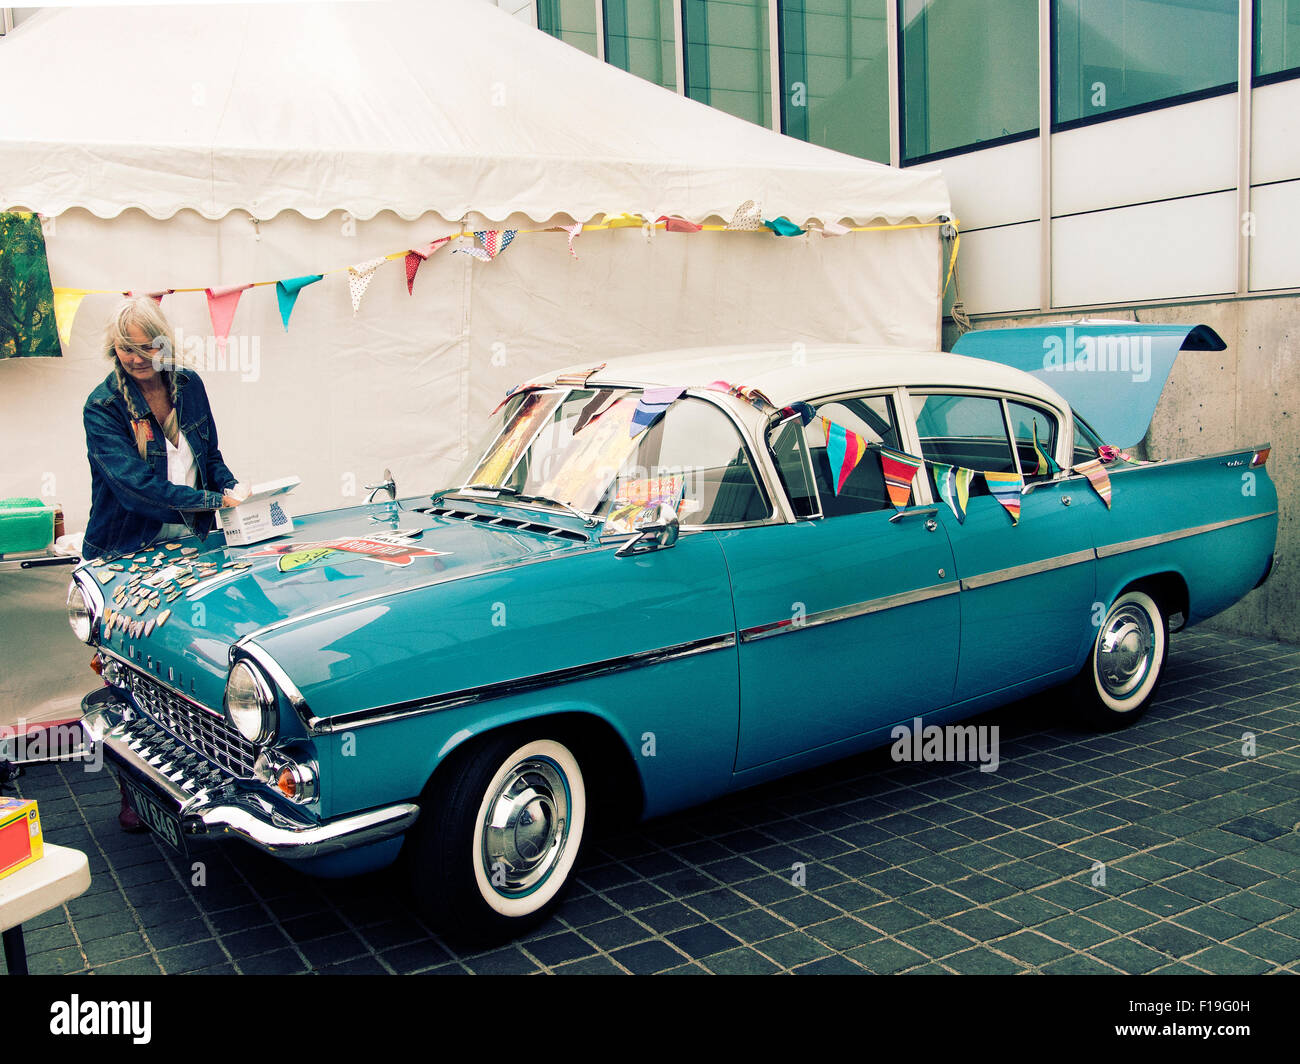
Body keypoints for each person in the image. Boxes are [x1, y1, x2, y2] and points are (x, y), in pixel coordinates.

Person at [82, 297, 244, 829]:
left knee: (183, 665)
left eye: (147, 346)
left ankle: (210, 778)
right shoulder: (102, 406)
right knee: (127, 679)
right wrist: (212, 503)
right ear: (115, 347)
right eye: (127, 348)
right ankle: (136, 792)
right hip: (124, 551)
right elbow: (134, 489)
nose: (137, 357)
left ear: (164, 343)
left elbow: (211, 456)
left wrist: (236, 491)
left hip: (191, 545)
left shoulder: (189, 385)